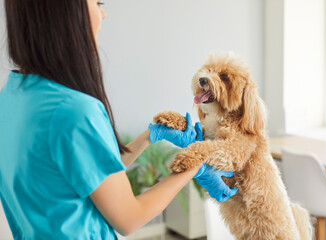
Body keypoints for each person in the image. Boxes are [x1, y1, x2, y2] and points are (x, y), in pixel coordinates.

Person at [0, 0, 238, 239]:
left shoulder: (12, 97)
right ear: (66, 11)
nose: (103, 14)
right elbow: (129, 218)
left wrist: (151, 134)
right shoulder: (74, 112)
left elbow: (96, 172)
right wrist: (196, 163)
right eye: (97, 3)